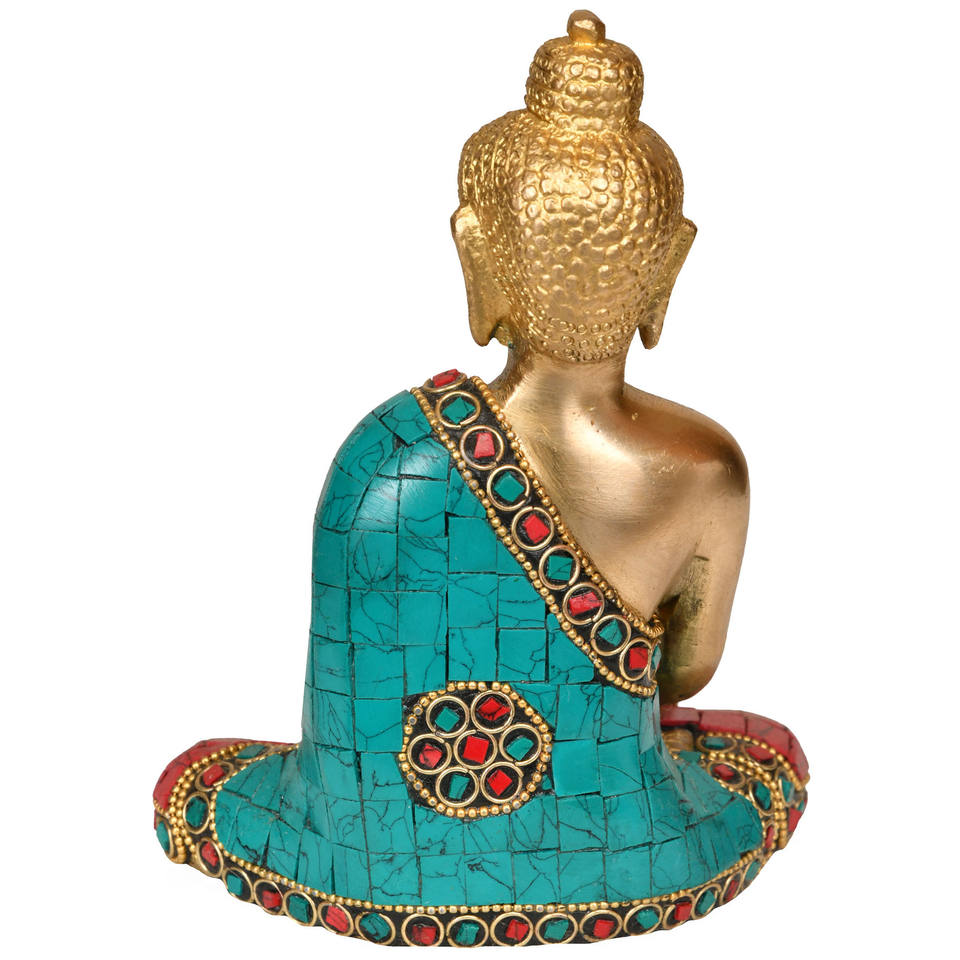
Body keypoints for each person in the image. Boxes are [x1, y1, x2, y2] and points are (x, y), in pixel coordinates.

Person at [154, 11, 808, 946]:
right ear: (669, 264)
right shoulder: (705, 469)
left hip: (366, 862)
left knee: (198, 784)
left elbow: (347, 721)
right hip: (627, 855)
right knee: (761, 761)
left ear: (476, 252)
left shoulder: (385, 461)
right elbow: (683, 674)